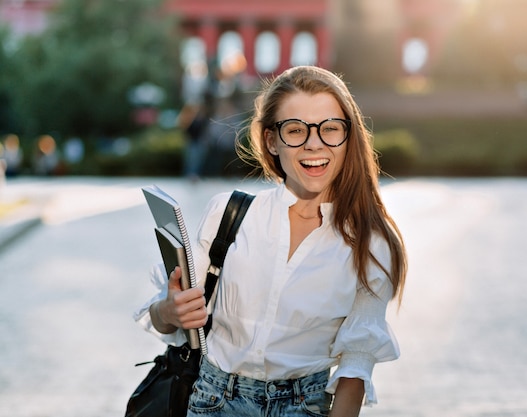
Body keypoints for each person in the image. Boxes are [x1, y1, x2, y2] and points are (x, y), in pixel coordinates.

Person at [134, 65, 407, 416]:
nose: (314, 143)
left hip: (305, 407)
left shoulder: (370, 243)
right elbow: (163, 317)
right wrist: (170, 310)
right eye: (295, 130)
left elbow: (355, 366)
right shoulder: (228, 214)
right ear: (271, 140)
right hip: (212, 402)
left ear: (348, 137)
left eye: (330, 129)